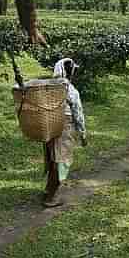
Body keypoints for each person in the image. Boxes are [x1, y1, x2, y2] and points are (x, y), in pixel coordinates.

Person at [43, 58, 87, 208]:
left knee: (51, 157)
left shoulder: (48, 86)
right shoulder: (70, 89)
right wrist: (82, 134)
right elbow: (77, 113)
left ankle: (48, 189)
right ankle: (52, 197)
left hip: (49, 126)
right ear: (70, 72)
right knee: (61, 160)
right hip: (64, 127)